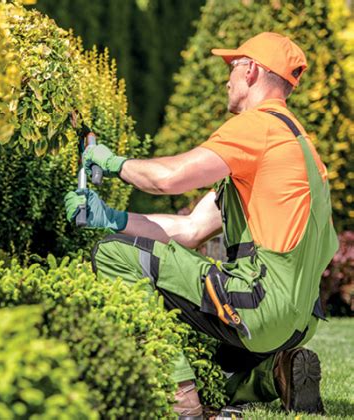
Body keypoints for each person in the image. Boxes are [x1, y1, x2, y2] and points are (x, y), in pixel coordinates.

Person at [65, 32, 338, 418]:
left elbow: (168, 179)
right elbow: (191, 229)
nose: (226, 78)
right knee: (214, 361)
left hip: (259, 304)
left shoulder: (257, 127)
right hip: (298, 320)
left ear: (252, 71)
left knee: (112, 254)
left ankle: (182, 402)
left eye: (232, 67)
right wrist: (112, 218)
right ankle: (275, 373)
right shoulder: (298, 146)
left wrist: (112, 162)